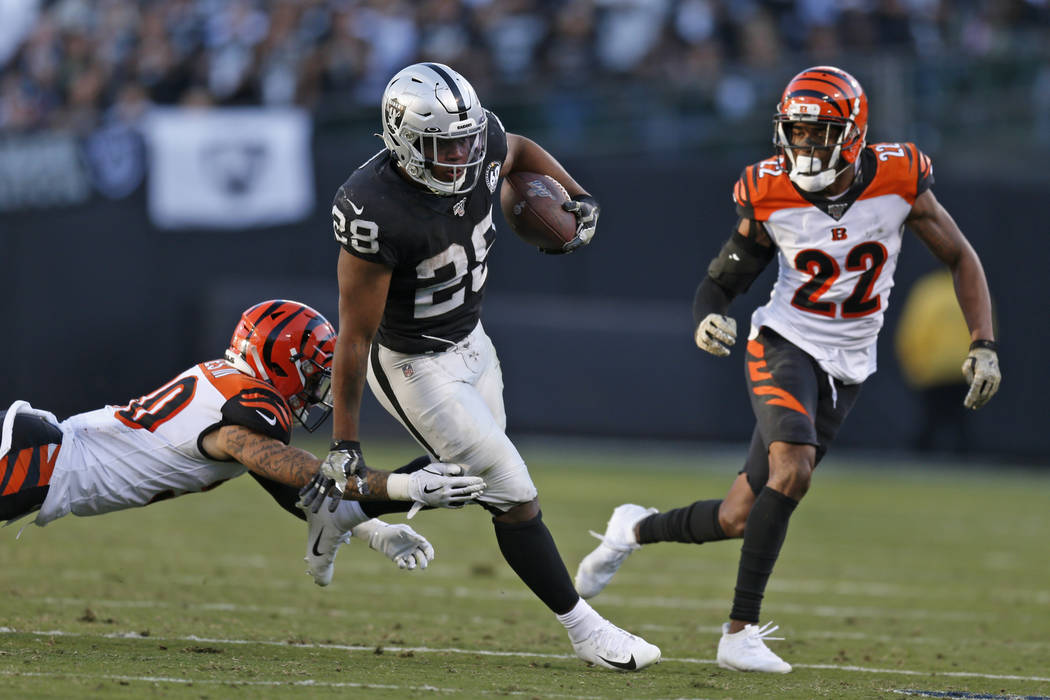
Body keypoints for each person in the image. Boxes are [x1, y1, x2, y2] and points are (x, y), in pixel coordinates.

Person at [573, 66, 1001, 673]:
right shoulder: (769, 190)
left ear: (851, 135)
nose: (803, 146)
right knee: (792, 470)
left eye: (818, 133)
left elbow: (961, 255)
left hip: (851, 360)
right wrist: (708, 316)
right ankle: (738, 631)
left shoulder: (900, 179)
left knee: (737, 516)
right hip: (786, 340)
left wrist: (984, 341)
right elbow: (722, 282)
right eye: (795, 133)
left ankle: (632, 529)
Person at [302, 62, 660, 672]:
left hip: (473, 341)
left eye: (467, 140)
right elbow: (355, 338)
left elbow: (514, 147)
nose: (464, 157)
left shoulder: (482, 139)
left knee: (466, 479)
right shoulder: (373, 207)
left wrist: (571, 192)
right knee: (513, 492)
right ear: (403, 139)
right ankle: (586, 630)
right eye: (445, 146)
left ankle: (341, 511)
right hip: (412, 361)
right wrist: (345, 443)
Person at [1, 300, 485, 580]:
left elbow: (300, 495)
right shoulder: (249, 408)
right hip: (35, 462)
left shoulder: (226, 385)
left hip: (39, 452)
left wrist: (373, 531)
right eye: (314, 374)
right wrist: (404, 487)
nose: (320, 390)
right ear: (279, 361)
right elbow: (294, 469)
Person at [894, 269, 981, 453]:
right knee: (961, 422)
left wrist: (913, 363)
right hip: (964, 368)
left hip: (933, 369)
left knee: (929, 420)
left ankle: (920, 462)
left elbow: (915, 330)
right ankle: (965, 464)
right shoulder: (972, 289)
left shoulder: (929, 291)